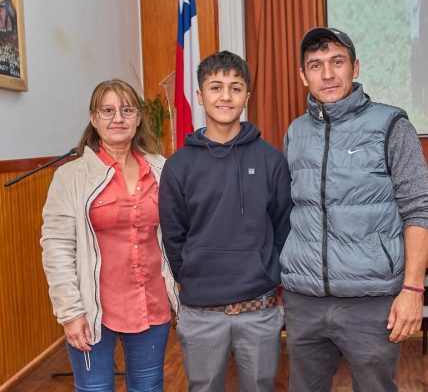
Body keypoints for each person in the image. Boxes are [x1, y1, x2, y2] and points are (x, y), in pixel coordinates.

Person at [280, 27, 428, 392]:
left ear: (355, 67)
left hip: (371, 301)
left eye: (337, 62)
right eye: (316, 65)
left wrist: (413, 289)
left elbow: (418, 209)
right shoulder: (295, 133)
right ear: (303, 76)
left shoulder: (391, 125)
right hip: (305, 301)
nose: (327, 74)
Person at [159, 51, 293, 392]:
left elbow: (283, 227)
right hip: (201, 312)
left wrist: (266, 272)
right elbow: (173, 236)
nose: (226, 96)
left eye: (235, 88)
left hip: (259, 310)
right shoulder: (177, 166)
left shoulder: (271, 160)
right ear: (200, 96)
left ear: (247, 96)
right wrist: (193, 274)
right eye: (216, 87)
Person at [41, 79, 179, 392]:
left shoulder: (162, 169)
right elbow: (57, 249)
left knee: (148, 387)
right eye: (107, 110)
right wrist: (70, 313)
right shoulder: (70, 177)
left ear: (139, 117)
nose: (118, 118)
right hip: (92, 311)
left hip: (150, 304)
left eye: (126, 110)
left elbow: (177, 233)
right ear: (93, 118)